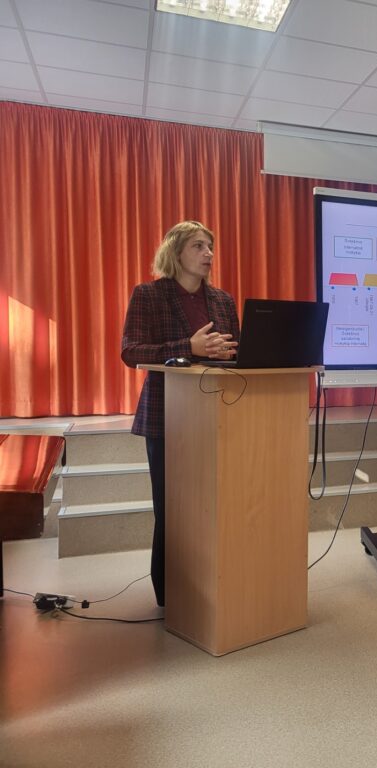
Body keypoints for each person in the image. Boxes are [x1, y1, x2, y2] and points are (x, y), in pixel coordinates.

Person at [121, 221, 239, 607]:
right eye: (198, 246)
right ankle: (170, 595)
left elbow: (236, 353)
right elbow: (132, 351)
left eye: (210, 246)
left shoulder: (223, 301)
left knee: (216, 507)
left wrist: (232, 354)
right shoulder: (149, 295)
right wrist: (188, 347)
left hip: (218, 415)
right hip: (167, 418)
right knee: (173, 510)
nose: (208, 254)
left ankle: (216, 585)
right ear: (175, 252)